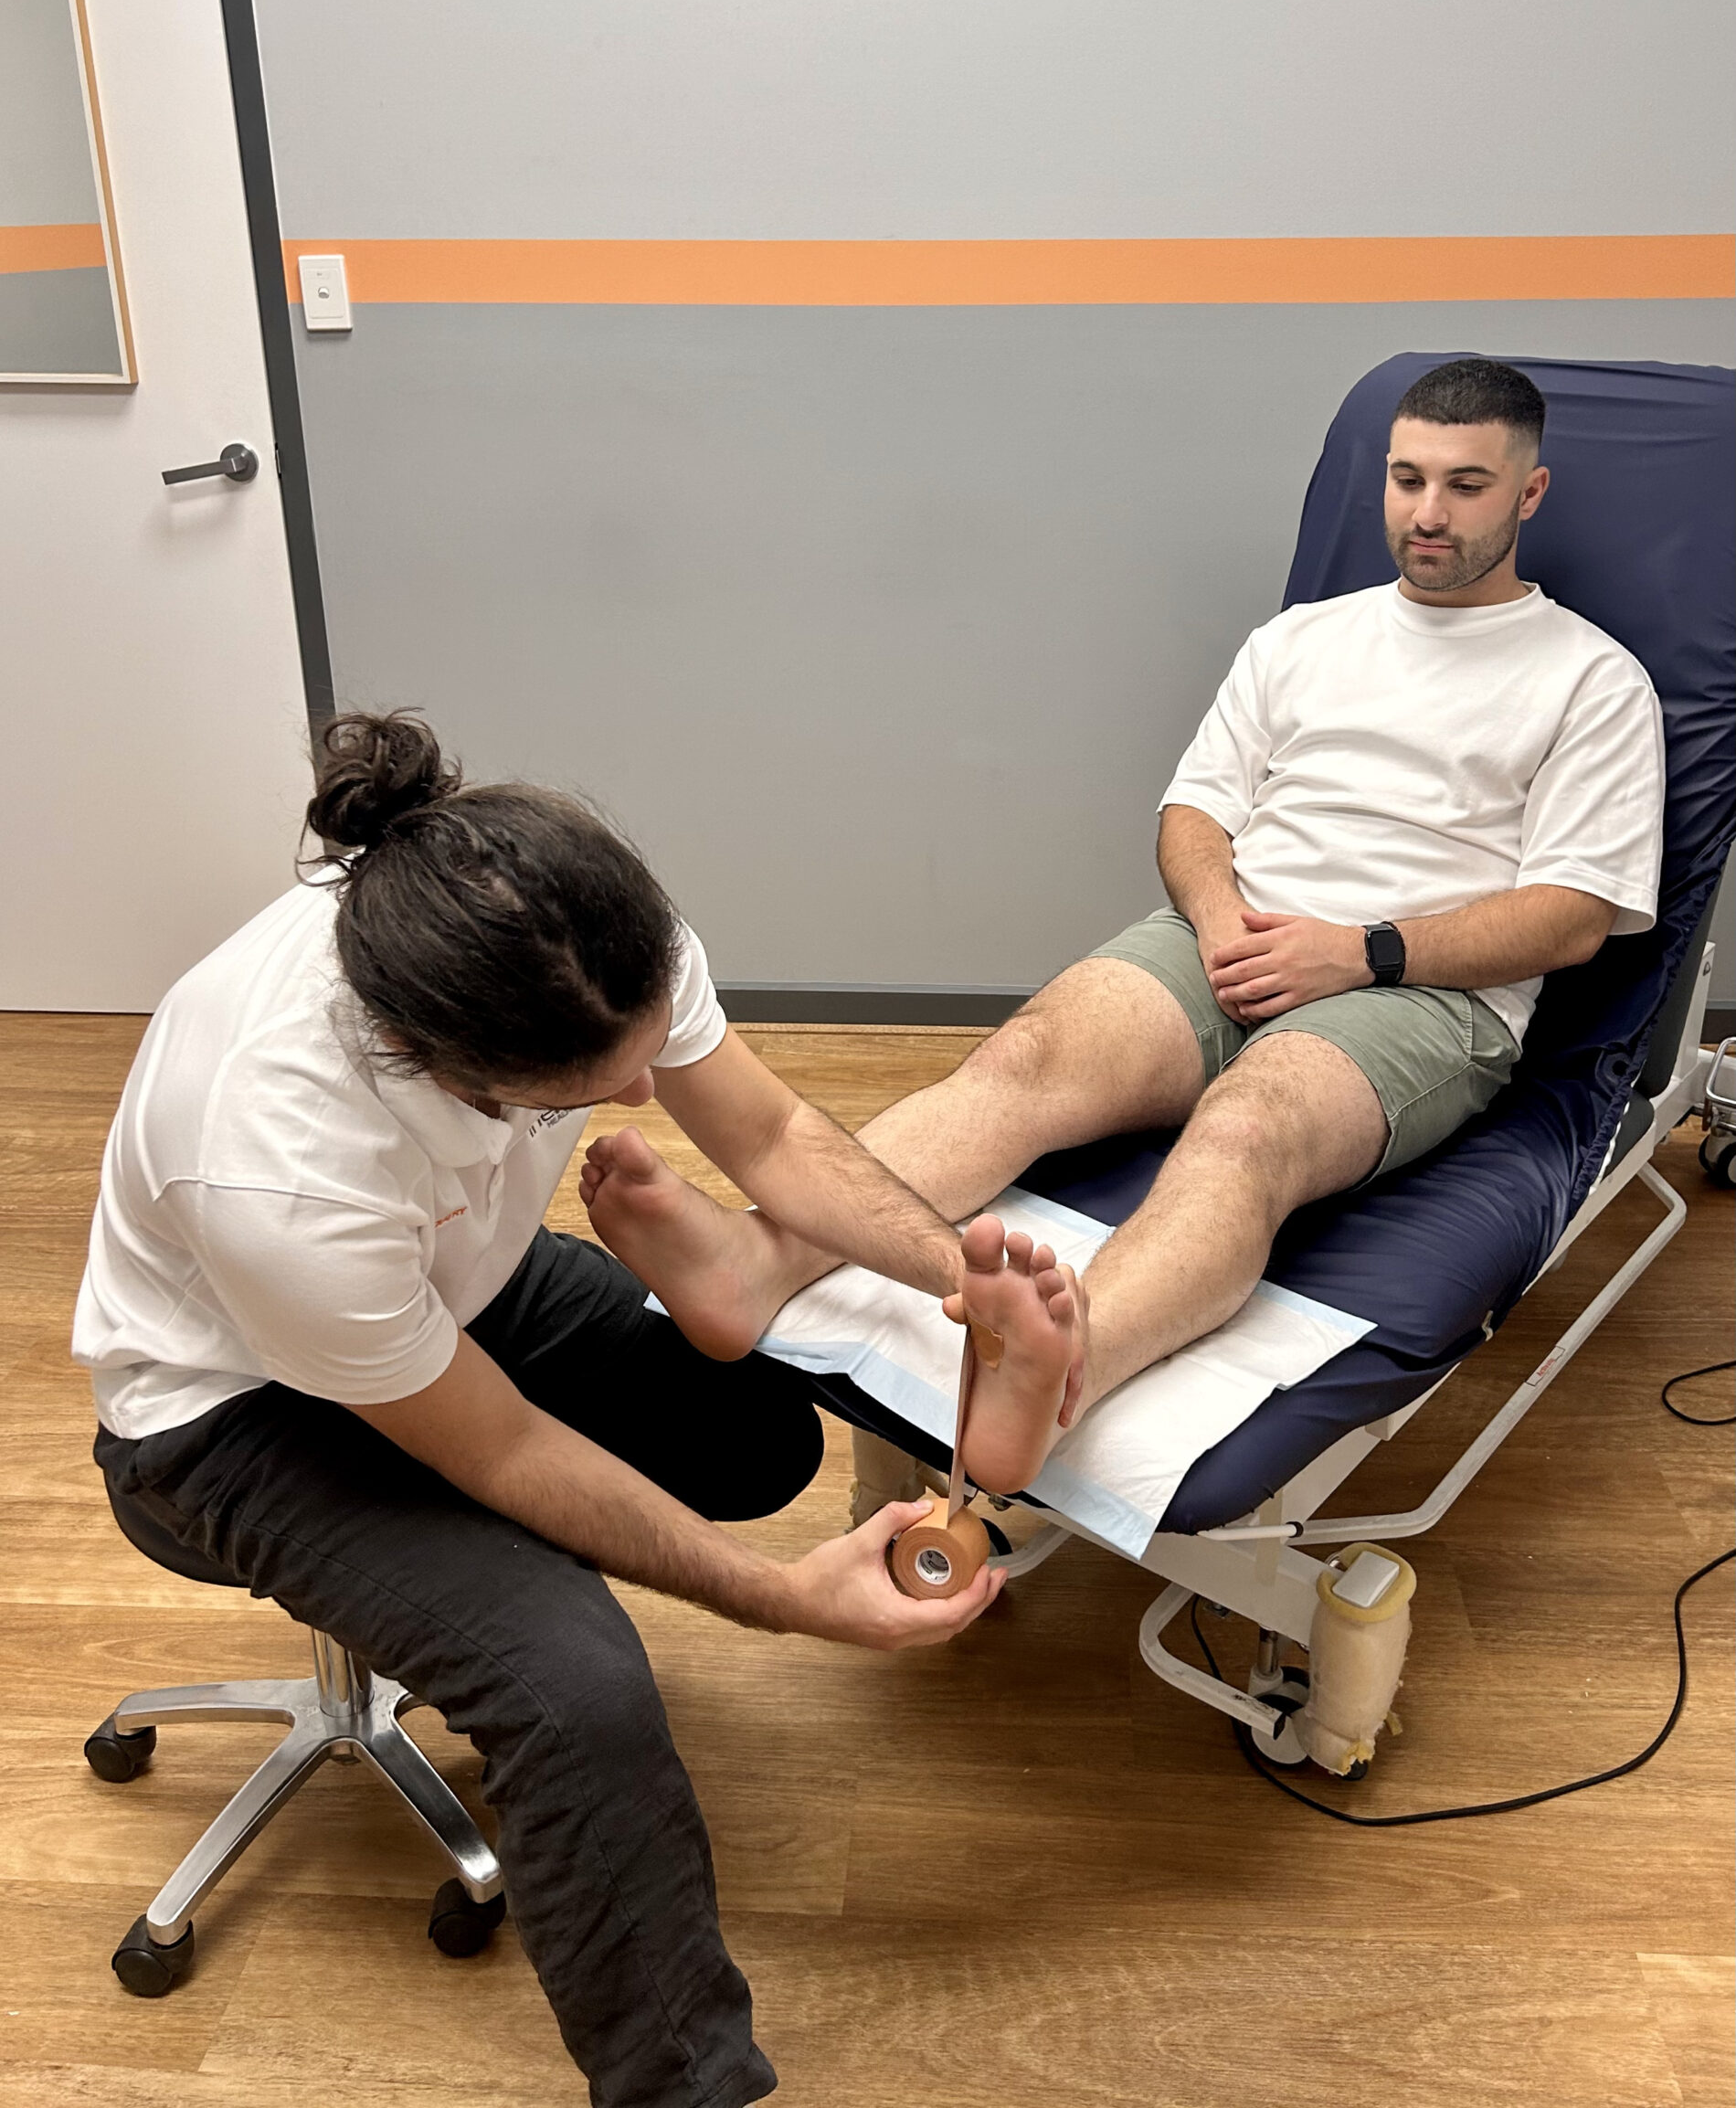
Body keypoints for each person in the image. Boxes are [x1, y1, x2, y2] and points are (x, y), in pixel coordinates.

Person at [72, 713, 1075, 2108]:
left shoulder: (585, 934)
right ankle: (682, 2088)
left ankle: (709, 1289)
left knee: (755, 1434)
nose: (652, 1091)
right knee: (577, 1690)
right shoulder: (276, 1162)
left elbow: (774, 1133)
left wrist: (960, 1282)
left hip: (442, 1288)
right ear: (441, 1065)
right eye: (603, 1094)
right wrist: (782, 1603)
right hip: (228, 1414)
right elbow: (503, 1446)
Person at [580, 356, 1667, 1498]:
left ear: (1527, 495)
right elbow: (1195, 812)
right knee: (1027, 1057)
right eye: (1406, 480)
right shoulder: (1301, 640)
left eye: (1465, 485)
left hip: (1420, 989)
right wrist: (1215, 920)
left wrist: (1357, 951)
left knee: (1247, 1131)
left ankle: (1053, 1378)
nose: (1428, 514)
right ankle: (754, 1264)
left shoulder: (1590, 681)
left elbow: (1573, 916)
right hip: (1227, 937)